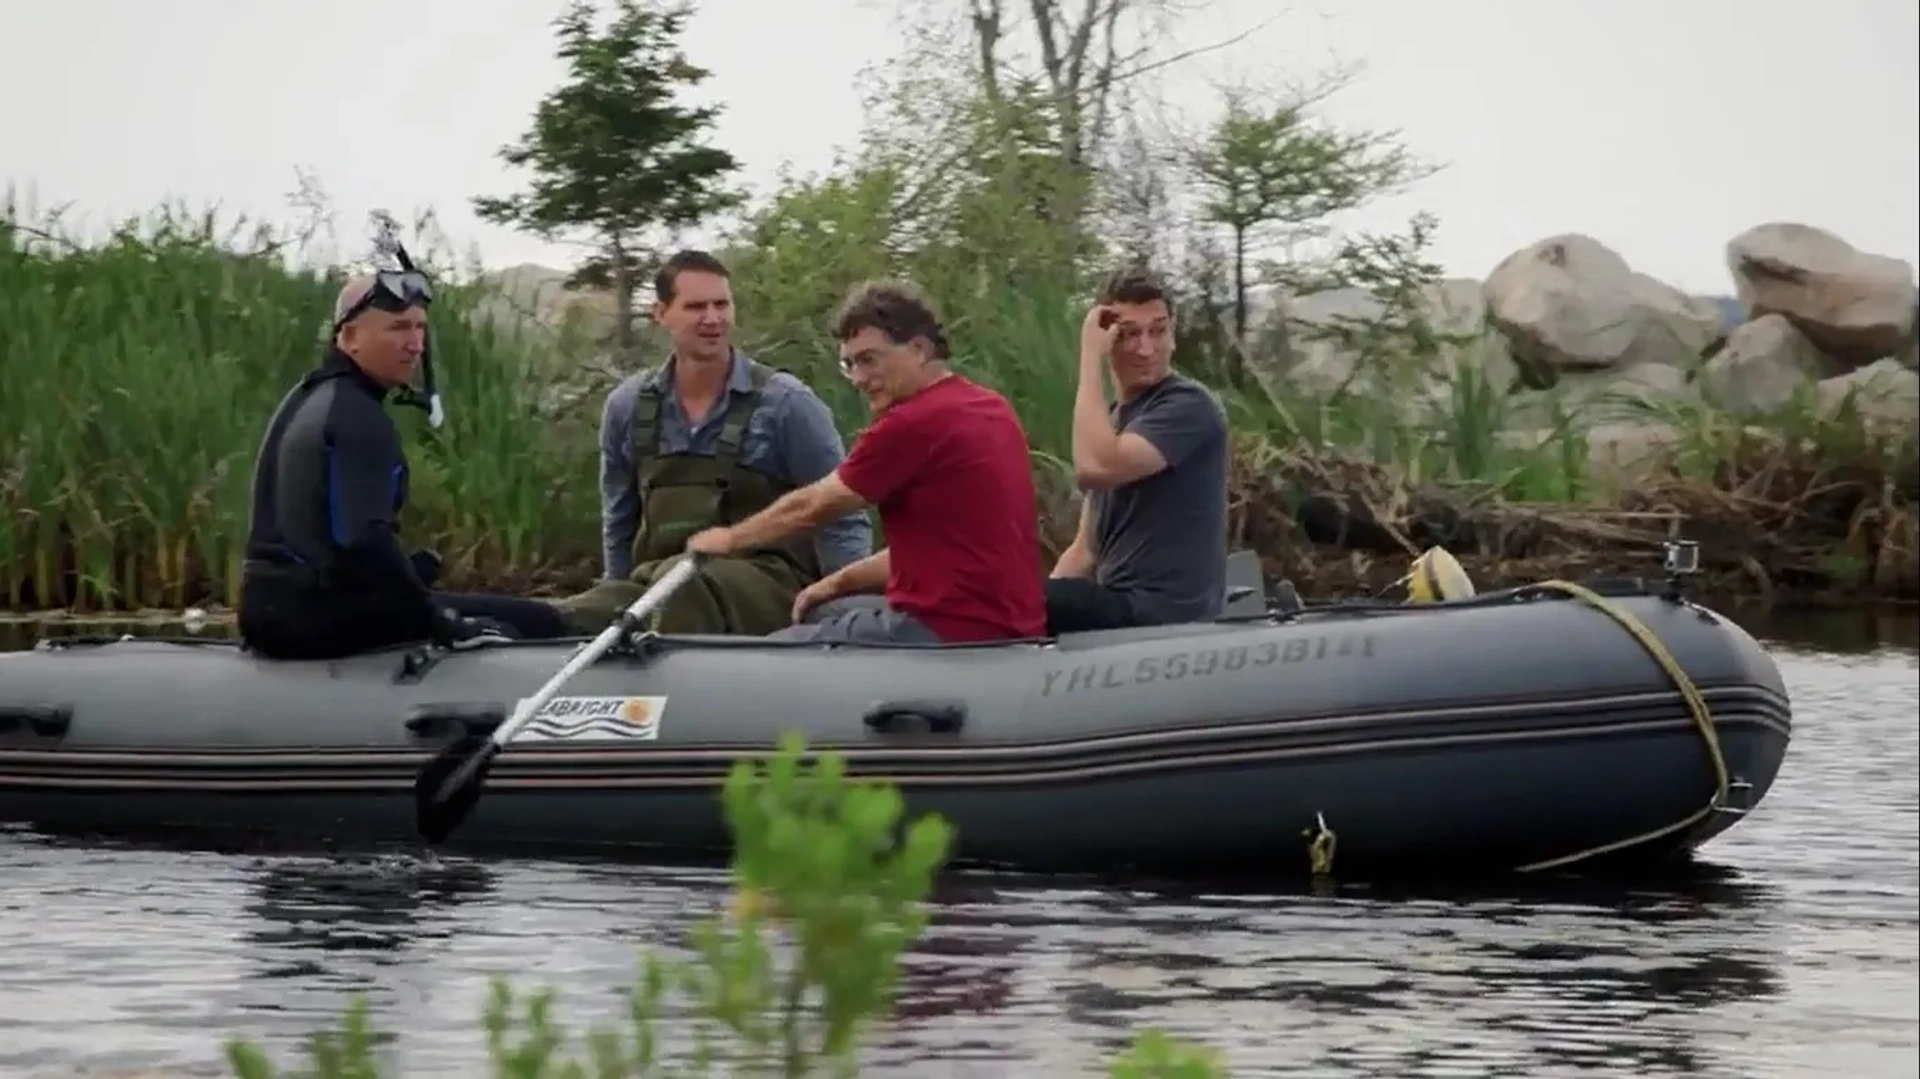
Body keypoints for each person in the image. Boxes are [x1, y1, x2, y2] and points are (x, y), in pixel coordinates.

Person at [685, 279, 1047, 645]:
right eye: (850, 364)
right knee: (820, 608)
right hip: (1011, 622)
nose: (858, 379)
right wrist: (835, 583)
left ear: (919, 349)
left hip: (948, 630)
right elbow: (932, 550)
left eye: (869, 360)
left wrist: (730, 538)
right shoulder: (990, 407)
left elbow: (812, 507)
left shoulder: (912, 422)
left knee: (772, 651)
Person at [238, 273, 573, 660]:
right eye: (398, 328)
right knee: (541, 622)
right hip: (316, 621)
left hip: (270, 611)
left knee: (431, 587)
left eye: (419, 329)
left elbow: (324, 537)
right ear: (349, 338)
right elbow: (364, 541)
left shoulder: (309, 397)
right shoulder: (357, 417)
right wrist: (439, 621)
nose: (414, 345)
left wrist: (410, 576)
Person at [548, 250, 872, 636]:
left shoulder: (786, 402)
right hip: (656, 582)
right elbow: (619, 521)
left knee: (681, 580)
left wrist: (843, 606)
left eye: (722, 305)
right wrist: (614, 596)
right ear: (661, 313)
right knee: (570, 614)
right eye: (696, 307)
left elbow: (840, 515)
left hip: (768, 585)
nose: (713, 319)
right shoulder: (627, 406)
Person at [1044, 266, 1230, 634]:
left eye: (1158, 331)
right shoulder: (1112, 422)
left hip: (1160, 614)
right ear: (1109, 337)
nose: (1146, 349)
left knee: (1019, 597)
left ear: (1173, 336)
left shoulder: (1189, 405)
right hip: (1117, 601)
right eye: (1129, 334)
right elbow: (1085, 552)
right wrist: (1030, 617)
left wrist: (1089, 357)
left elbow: (1095, 466)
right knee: (1013, 597)